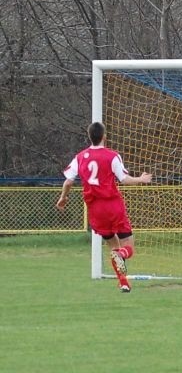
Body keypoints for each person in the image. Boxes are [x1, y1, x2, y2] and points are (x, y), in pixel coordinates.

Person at [56, 122, 152, 293]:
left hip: (95, 209)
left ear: (89, 136)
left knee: (113, 246)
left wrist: (63, 197)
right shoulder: (112, 156)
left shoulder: (80, 157)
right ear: (104, 136)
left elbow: (69, 180)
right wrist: (140, 179)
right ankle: (122, 256)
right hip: (113, 205)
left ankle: (123, 282)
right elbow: (124, 179)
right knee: (127, 247)